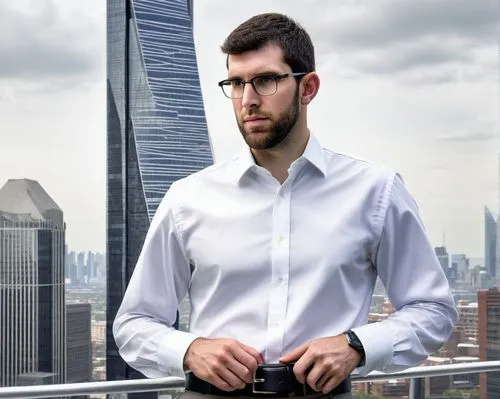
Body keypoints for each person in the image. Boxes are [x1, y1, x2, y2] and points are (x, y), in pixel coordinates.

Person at [113, 12, 458, 399]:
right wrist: (190, 350)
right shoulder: (187, 198)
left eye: (265, 80)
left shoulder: (376, 191)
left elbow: (433, 310)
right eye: (236, 83)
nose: (247, 100)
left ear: (307, 87)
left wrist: (356, 346)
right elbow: (134, 322)